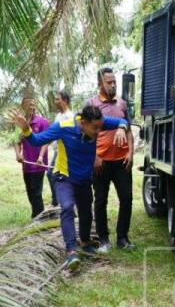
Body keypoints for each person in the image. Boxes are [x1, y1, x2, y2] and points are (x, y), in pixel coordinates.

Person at [8, 105, 128, 272]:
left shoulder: (99, 121)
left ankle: (85, 244)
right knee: (67, 208)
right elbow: (36, 140)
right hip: (64, 177)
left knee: (86, 213)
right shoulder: (63, 127)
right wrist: (26, 129)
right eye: (95, 128)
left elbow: (123, 120)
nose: (99, 132)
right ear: (84, 122)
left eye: (100, 127)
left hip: (84, 180)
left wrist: (122, 128)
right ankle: (71, 251)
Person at [86, 67, 135, 252]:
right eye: (109, 82)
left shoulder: (122, 104)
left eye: (114, 81)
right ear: (100, 83)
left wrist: (130, 152)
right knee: (100, 200)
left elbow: (128, 129)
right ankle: (104, 239)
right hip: (101, 162)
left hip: (122, 161)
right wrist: (95, 156)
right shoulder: (91, 104)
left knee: (127, 199)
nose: (113, 85)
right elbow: (87, 134)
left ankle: (122, 238)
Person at [14, 97, 49, 218]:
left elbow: (46, 141)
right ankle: (36, 215)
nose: (32, 107)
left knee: (36, 192)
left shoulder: (42, 122)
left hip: (39, 164)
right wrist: (18, 154)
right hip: (26, 164)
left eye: (34, 104)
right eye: (29, 105)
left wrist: (40, 156)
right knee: (29, 191)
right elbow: (17, 141)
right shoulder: (19, 123)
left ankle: (39, 217)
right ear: (23, 106)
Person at [47, 90, 74, 207]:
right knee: (52, 175)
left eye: (58, 99)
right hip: (57, 152)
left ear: (65, 101)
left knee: (52, 175)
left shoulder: (70, 116)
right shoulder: (58, 116)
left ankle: (60, 202)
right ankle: (58, 202)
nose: (55, 101)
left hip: (66, 154)